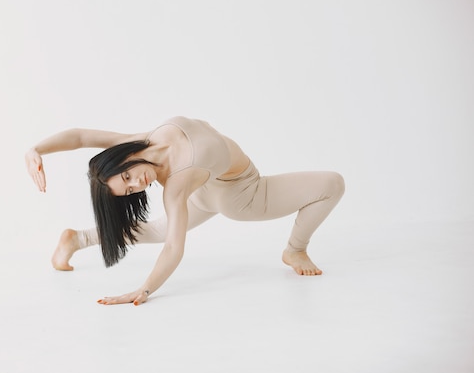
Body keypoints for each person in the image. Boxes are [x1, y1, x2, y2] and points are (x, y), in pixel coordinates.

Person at [25, 116, 345, 306]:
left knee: (160, 228)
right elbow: (174, 248)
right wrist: (144, 290)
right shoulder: (176, 185)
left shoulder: (143, 140)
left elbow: (81, 136)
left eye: (128, 177)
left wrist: (36, 149)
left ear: (122, 157)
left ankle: (78, 239)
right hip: (241, 193)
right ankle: (295, 250)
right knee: (332, 184)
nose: (139, 183)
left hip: (209, 187)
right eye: (131, 190)